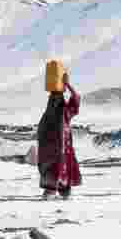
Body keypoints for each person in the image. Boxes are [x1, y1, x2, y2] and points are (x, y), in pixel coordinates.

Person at [36, 72, 81, 200]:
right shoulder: (50, 115)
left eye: (56, 99)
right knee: (54, 168)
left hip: (62, 149)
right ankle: (54, 190)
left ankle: (60, 190)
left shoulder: (63, 112)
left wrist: (67, 85)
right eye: (52, 99)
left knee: (62, 167)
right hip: (52, 152)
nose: (54, 101)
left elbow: (76, 98)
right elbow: (41, 133)